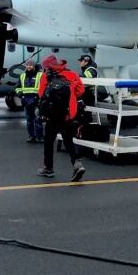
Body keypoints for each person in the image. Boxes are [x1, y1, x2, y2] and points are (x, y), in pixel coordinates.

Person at [37, 54, 86, 182]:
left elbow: (41, 94)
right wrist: (69, 99)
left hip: (52, 116)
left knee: (49, 141)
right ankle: (77, 164)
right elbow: (81, 91)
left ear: (47, 67)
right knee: (68, 139)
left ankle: (48, 168)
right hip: (68, 114)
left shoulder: (46, 76)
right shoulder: (72, 74)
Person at [15, 59, 44, 143]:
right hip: (26, 101)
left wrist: (38, 97)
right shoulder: (22, 75)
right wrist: (21, 95)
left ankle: (40, 136)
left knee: (37, 120)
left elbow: (43, 87)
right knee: (29, 120)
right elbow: (17, 87)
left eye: (30, 65)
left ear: (34, 66)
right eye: (27, 65)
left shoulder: (40, 75)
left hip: (36, 101)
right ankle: (31, 136)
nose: (28, 66)